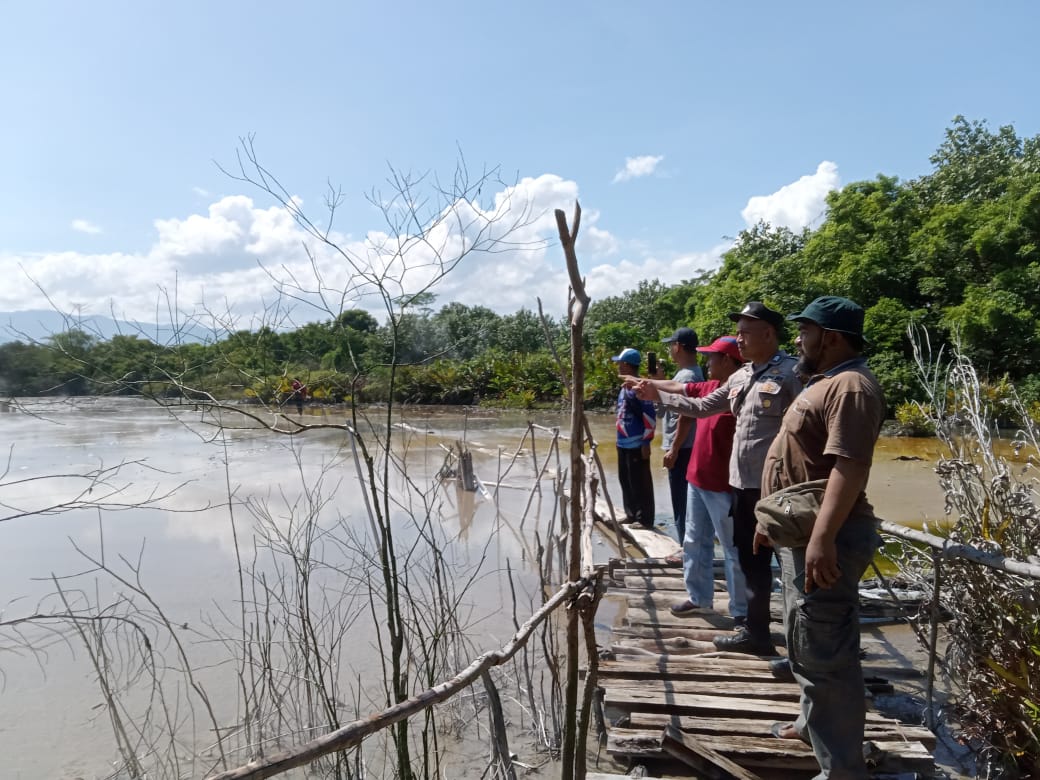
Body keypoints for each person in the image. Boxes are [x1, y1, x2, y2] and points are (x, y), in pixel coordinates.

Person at [627, 301, 801, 654]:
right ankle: (755, 633)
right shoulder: (741, 376)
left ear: (768, 334)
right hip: (740, 486)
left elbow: (808, 431)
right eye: (737, 332)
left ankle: (798, 646)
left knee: (787, 563)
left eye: (745, 332)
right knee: (750, 561)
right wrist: (657, 394)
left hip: (775, 488)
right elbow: (703, 406)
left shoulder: (793, 373)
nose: (739, 339)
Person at [757, 296, 884, 779]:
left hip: (827, 536)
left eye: (805, 330)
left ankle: (841, 770)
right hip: (802, 531)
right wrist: (770, 522)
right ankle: (811, 726)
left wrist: (823, 538)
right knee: (807, 640)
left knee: (828, 654)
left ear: (829, 336)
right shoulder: (827, 381)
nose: (797, 339)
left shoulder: (851, 385)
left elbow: (850, 467)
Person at [666, 336, 748, 622]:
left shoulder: (739, 392)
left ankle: (741, 611)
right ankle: (699, 598)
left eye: (712, 357)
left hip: (723, 485)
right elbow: (679, 387)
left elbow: (688, 403)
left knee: (732, 549)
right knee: (693, 540)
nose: (707, 362)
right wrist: (648, 385)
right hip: (697, 478)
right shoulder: (711, 387)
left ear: (728, 361)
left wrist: (654, 392)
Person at [658, 327, 703, 556]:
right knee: (685, 500)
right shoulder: (687, 373)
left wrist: (673, 449)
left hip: (683, 447)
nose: (670, 349)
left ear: (679, 346)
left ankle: (686, 549)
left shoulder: (687, 376)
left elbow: (686, 417)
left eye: (671, 344)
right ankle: (688, 546)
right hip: (685, 446)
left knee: (682, 501)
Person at [612, 348, 656, 528]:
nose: (618, 367)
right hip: (622, 442)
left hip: (636, 442)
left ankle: (644, 519)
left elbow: (650, 416)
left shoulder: (639, 389)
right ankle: (630, 514)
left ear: (627, 365)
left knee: (640, 483)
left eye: (620, 363)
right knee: (626, 480)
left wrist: (646, 442)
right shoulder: (624, 388)